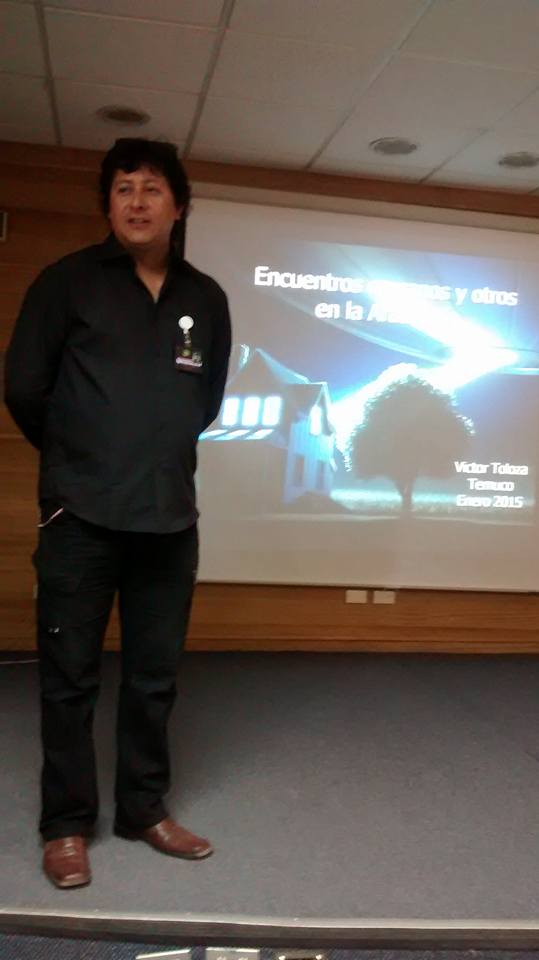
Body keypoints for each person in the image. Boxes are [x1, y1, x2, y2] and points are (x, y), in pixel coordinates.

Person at [4, 138, 232, 889]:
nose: (137, 201)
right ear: (107, 204)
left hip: (169, 520)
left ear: (179, 205)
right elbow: (24, 387)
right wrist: (80, 459)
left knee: (153, 678)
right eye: (123, 187)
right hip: (81, 518)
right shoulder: (66, 282)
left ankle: (143, 809)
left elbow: (205, 401)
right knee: (68, 678)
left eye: (152, 188)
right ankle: (66, 826)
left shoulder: (205, 298)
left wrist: (149, 449)